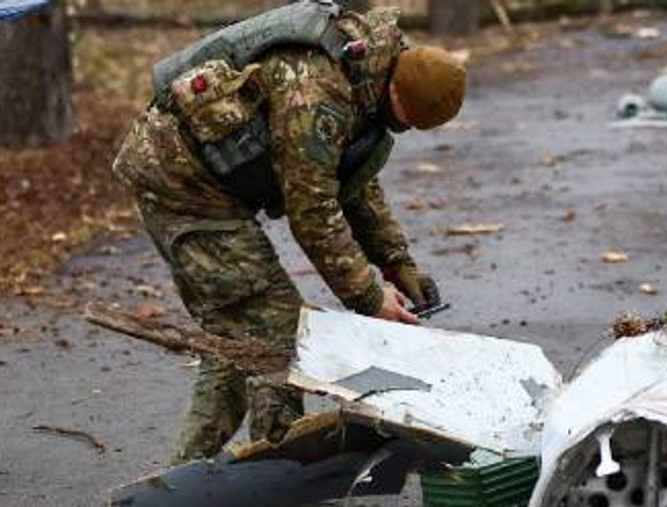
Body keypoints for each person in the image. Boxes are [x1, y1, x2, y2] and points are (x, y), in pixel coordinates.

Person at [114, 1, 465, 465]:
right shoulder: (318, 89)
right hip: (180, 183)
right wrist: (368, 297)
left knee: (244, 333)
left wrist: (397, 262)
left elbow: (353, 181)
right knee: (272, 324)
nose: (400, 128)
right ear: (397, 92)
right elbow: (313, 209)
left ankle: (261, 468)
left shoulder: (368, 72)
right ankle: (228, 474)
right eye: (404, 119)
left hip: (212, 186)